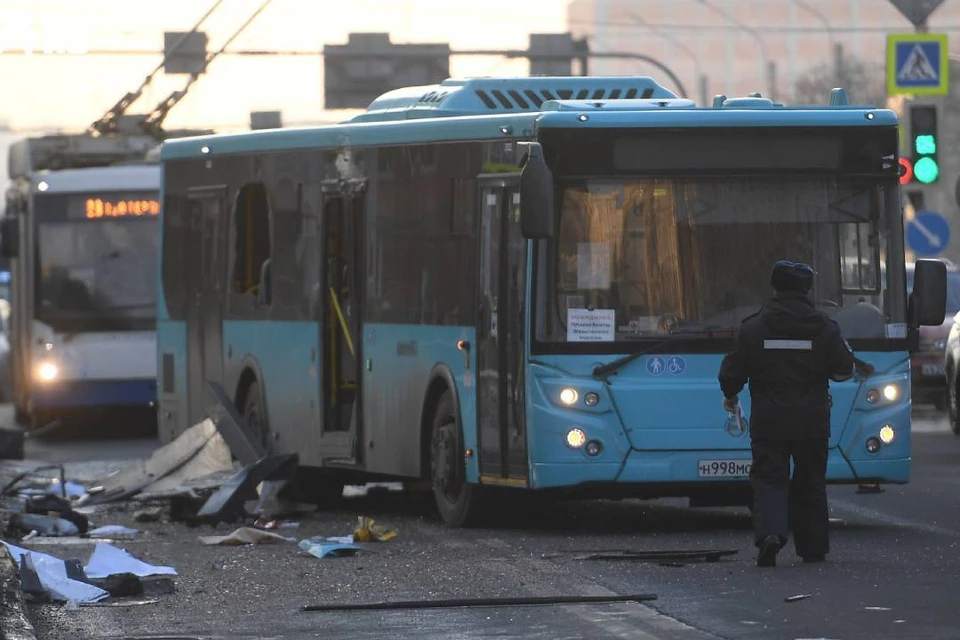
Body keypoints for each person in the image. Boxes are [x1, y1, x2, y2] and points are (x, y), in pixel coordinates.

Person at [717, 260, 871, 568]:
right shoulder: (826, 327)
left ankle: (771, 536)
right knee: (810, 481)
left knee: (769, 479)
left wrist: (730, 394)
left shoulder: (753, 327)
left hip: (769, 420)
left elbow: (732, 372)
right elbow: (843, 368)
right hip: (812, 420)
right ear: (807, 289)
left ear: (774, 288)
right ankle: (813, 548)